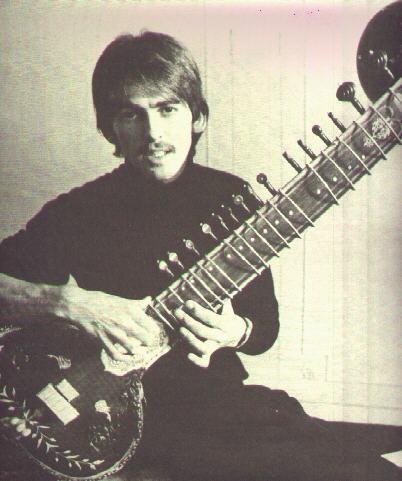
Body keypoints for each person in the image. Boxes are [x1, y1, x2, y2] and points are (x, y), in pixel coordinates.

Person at [0, 31, 401, 481]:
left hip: (212, 412)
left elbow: (263, 327)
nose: (153, 133)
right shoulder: (79, 212)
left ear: (198, 117)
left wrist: (234, 331)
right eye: (131, 114)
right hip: (104, 415)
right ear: (109, 128)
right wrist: (72, 304)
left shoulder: (231, 198)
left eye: (168, 109)